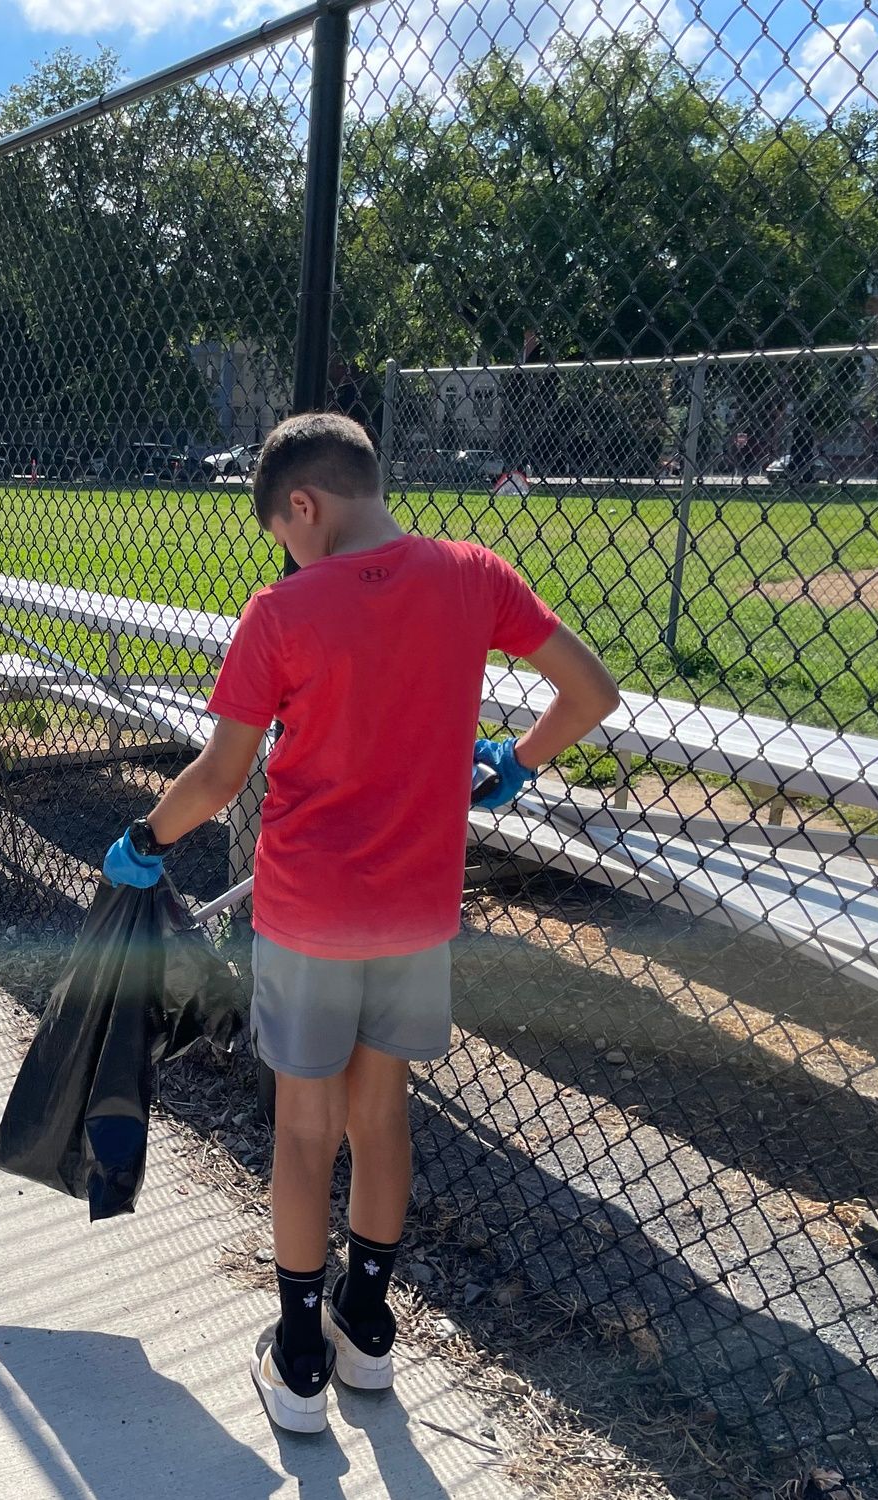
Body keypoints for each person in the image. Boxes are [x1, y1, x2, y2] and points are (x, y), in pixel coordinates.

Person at [101, 412, 618, 1433]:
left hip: (306, 912)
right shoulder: (474, 575)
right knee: (381, 1122)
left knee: (303, 1132)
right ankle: (365, 1333)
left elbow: (218, 775)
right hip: (415, 913)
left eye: (281, 533)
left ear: (304, 503)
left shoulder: (280, 613)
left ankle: (296, 1360)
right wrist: (514, 764)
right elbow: (588, 690)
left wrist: (145, 839)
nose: (284, 555)